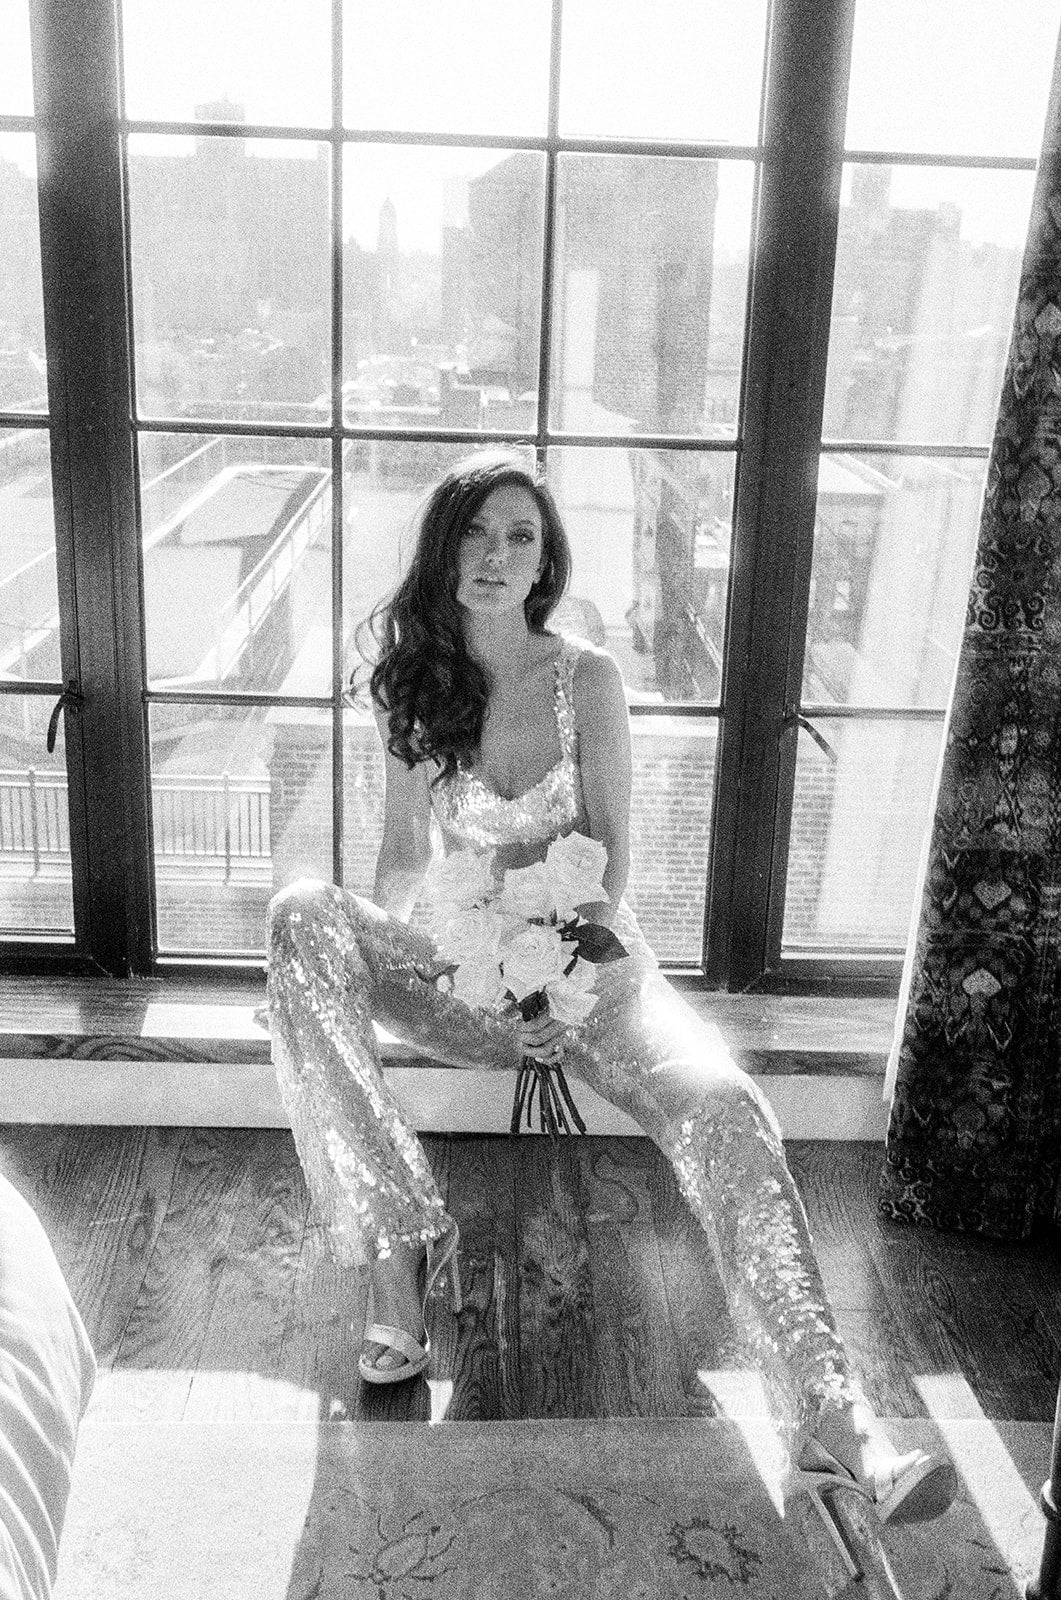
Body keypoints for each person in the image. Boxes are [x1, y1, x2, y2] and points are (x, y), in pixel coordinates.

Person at [267, 450, 956, 1571]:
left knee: (727, 1107)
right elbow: (400, 859)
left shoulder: (583, 678)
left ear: (546, 561)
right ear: (443, 549)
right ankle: (399, 1250)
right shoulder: (411, 685)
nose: (496, 557)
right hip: (465, 976)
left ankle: (837, 1425)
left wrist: (549, 983)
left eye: (520, 538)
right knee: (303, 916)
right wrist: (425, 963)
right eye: (476, 533)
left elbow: (614, 858)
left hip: (597, 977)